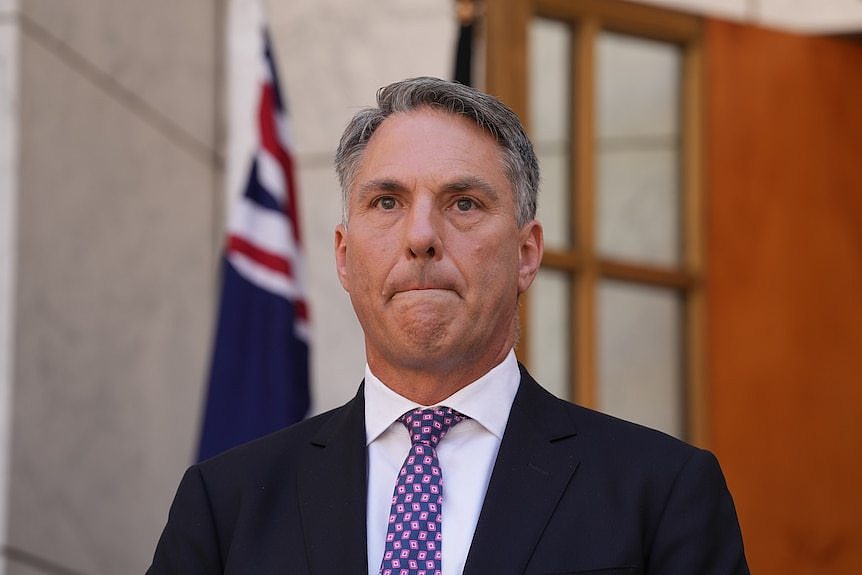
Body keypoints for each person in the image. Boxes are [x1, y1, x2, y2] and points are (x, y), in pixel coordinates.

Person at [148, 77, 748, 574]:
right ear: (342, 255)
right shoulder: (224, 505)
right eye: (386, 202)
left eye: (463, 203)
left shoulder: (663, 496)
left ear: (526, 254)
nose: (421, 238)